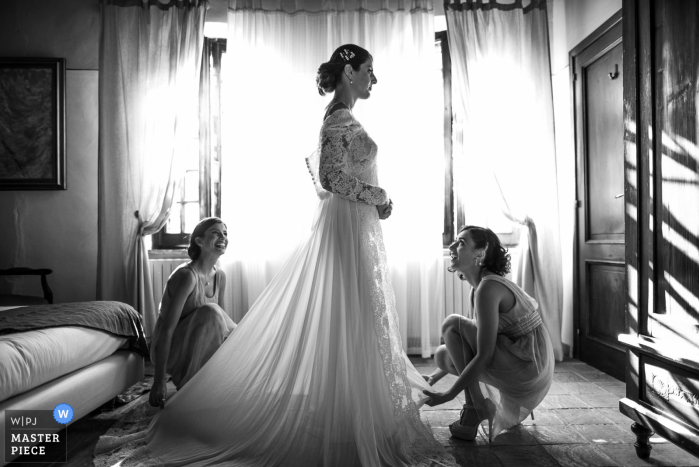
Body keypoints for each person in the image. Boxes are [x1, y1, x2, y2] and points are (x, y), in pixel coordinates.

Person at [99, 44, 451, 467]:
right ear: (348, 71)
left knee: (358, 319)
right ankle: (352, 423)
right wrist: (380, 195)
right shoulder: (338, 117)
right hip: (349, 230)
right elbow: (329, 177)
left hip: (357, 228)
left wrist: (376, 204)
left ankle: (351, 416)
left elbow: (328, 179)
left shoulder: (344, 118)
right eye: (369, 70)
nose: (374, 80)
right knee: (355, 316)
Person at [422, 226, 554, 442]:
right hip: (522, 360)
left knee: (451, 323)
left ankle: (475, 407)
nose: (453, 246)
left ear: (480, 253)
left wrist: (448, 395)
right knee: (444, 355)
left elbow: (484, 354)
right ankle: (475, 408)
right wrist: (434, 378)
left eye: (461, 242)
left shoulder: (489, 288)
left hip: (528, 366)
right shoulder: (479, 288)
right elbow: (465, 344)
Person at [148, 217, 237, 408]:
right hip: (172, 349)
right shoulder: (187, 276)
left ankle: (208, 383)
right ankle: (189, 383)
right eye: (216, 233)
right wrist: (158, 382)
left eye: (225, 233)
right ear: (199, 241)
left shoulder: (220, 276)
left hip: (200, 345)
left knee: (230, 327)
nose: (223, 237)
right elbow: (166, 331)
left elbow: (223, 327)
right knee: (212, 311)